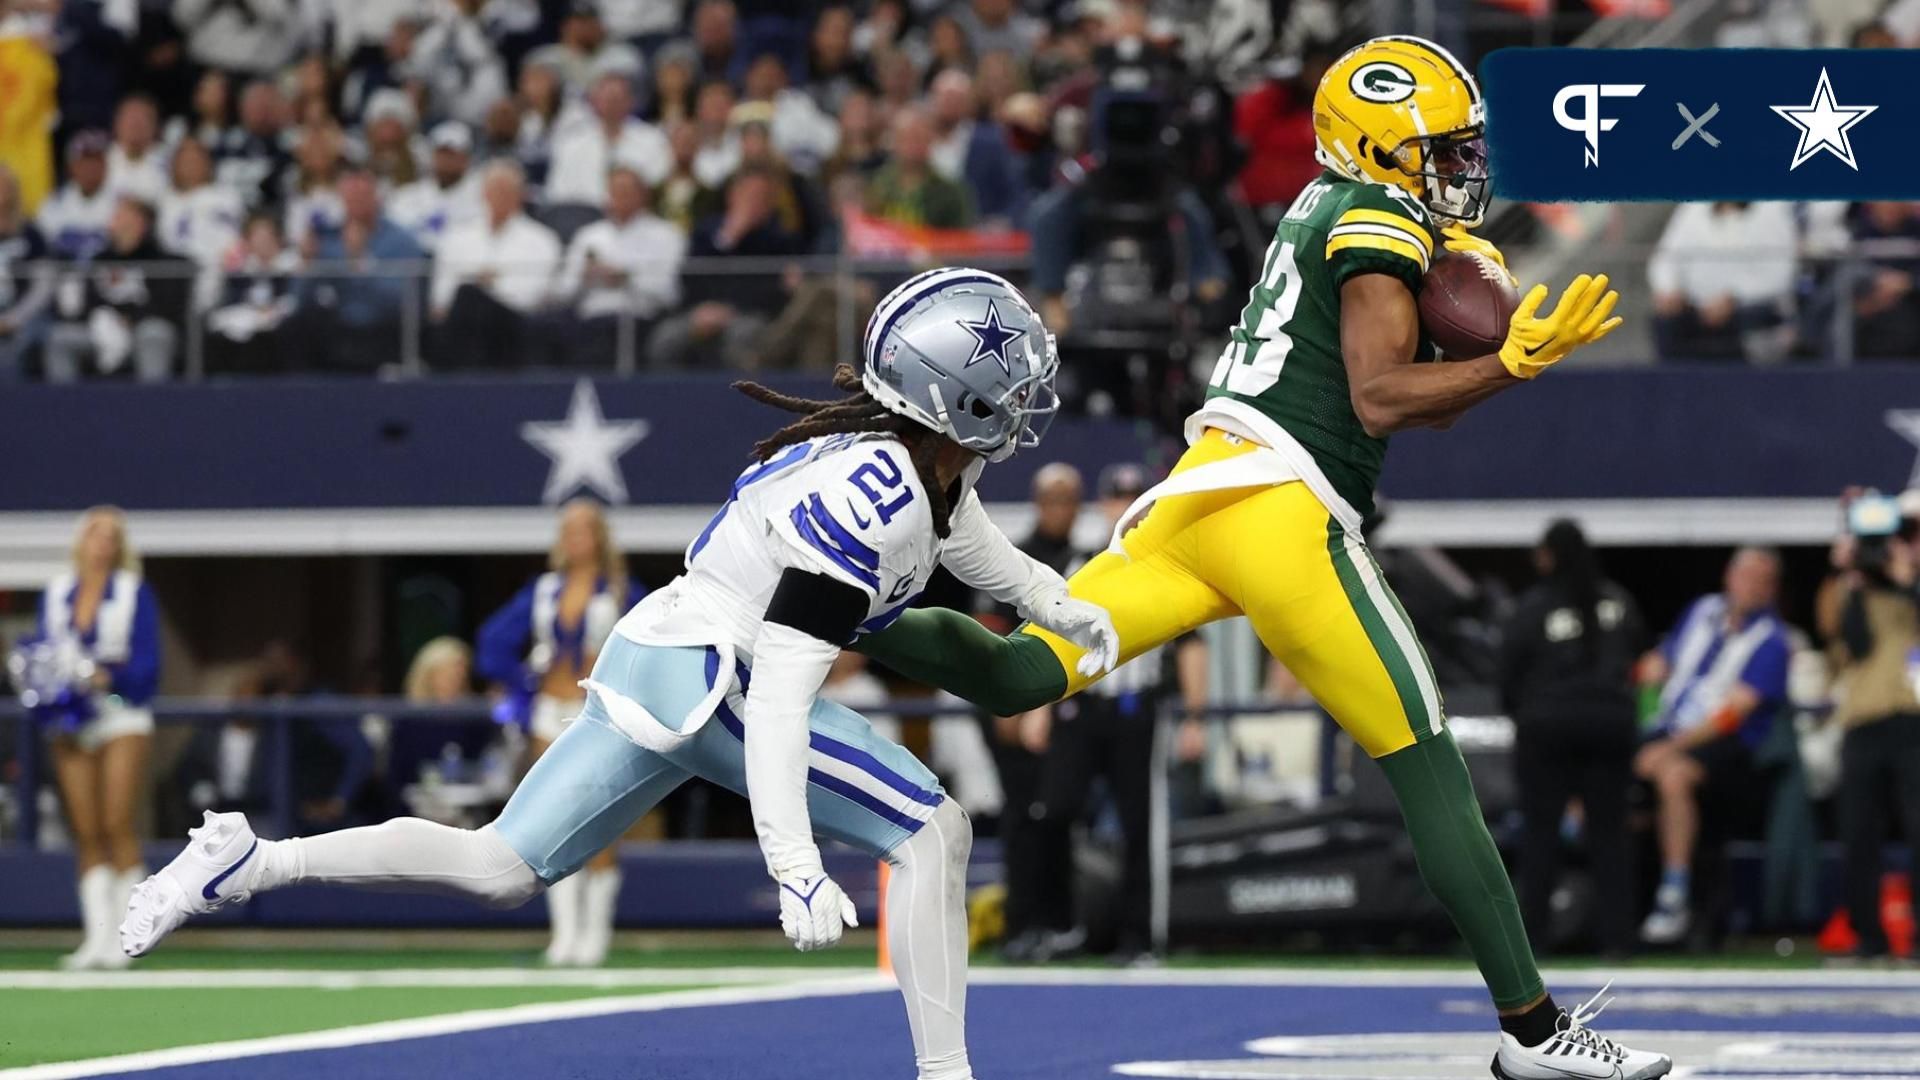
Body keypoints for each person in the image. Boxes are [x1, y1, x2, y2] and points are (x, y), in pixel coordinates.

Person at [858, 37, 1670, 1080]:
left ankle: (829, 609)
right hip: (1286, 512)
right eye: (1439, 148)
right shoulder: (1376, 217)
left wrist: (1470, 325)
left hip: (1200, 496)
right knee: (1429, 764)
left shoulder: (1325, 206)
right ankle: (1537, 1036)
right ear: (1376, 147)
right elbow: (1380, 398)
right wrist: (1509, 360)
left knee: (1023, 672)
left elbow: (1394, 383)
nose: (1460, 166)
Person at [124, 267, 1119, 1080]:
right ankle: (945, 1075)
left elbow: (963, 530)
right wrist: (795, 865)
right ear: (951, 396)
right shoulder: (874, 503)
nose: (1030, 392)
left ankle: (253, 860)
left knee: (501, 866)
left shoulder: (901, 457)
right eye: (1012, 375)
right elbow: (779, 700)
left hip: (664, 655)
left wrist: (1054, 601)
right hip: (726, 676)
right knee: (932, 828)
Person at [475, 500, 647, 967]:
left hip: (601, 712)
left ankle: (597, 935)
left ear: (599, 536)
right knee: (553, 821)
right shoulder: (543, 590)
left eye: (583, 530)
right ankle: (564, 936)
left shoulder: (621, 590)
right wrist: (521, 679)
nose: (575, 539)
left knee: (602, 820)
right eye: (567, 530)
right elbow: (492, 642)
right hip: (549, 710)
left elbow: (655, 644)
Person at [1496, 520, 1645, 958]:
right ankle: (1619, 939)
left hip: (1549, 727)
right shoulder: (1618, 600)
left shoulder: (1534, 606)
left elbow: (1507, 671)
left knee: (1540, 835)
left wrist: (1524, 714)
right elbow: (1637, 657)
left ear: (1550, 555)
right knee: (1611, 837)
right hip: (1609, 725)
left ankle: (1532, 941)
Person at [1636, 546, 1791, 947]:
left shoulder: (1773, 641)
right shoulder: (1701, 612)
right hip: (1669, 729)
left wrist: (1672, 746)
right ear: (1728, 577)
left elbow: (1733, 714)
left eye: (1761, 581)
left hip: (1727, 747)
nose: (1751, 587)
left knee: (1673, 775)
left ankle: (1675, 890)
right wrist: (1647, 710)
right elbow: (1659, 665)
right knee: (1598, 756)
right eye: (1745, 576)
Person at [37, 508, 160, 970]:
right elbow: (44, 650)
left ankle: (131, 936)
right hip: (72, 718)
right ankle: (96, 937)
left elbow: (150, 662)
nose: (102, 544)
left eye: (112, 537)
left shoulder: (134, 592)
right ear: (81, 541)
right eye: (95, 534)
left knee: (116, 823)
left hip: (121, 711)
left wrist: (108, 677)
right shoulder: (56, 593)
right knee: (86, 830)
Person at [1814, 493, 1920, 960]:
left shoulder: (1911, 584)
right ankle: (1868, 936)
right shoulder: (1846, 588)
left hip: (1913, 718)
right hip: (1863, 719)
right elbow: (1851, 640)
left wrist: (1906, 578)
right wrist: (1852, 577)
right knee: (1859, 833)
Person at [45, 195, 193, 383]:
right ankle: (62, 407)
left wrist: (129, 319)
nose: (112, 221)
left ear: (140, 222)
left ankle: (154, 405)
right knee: (61, 338)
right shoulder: (100, 260)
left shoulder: (163, 261)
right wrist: (103, 318)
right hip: (102, 331)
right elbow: (87, 301)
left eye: (120, 215)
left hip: (143, 329)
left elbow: (168, 307)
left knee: (153, 332)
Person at [430, 159, 560, 369]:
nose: (500, 196)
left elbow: (533, 294)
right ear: (483, 193)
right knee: (466, 298)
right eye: (494, 189)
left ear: (521, 195)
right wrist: (483, 283)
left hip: (514, 326)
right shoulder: (457, 237)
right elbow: (441, 295)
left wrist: (486, 288)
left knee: (469, 294)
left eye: (506, 190)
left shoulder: (542, 239)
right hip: (464, 326)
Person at [553, 165, 684, 367]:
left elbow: (668, 292)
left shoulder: (665, 235)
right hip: (590, 320)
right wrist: (583, 276)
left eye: (627, 191)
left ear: (643, 195)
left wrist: (625, 278)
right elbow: (563, 291)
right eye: (615, 191)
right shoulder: (588, 235)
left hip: (639, 319)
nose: (620, 197)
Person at [545, 70, 672, 205]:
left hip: (637, 218)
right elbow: (557, 193)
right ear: (593, 102)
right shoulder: (571, 143)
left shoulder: (653, 139)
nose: (612, 105)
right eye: (607, 99)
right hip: (582, 218)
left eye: (617, 99)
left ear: (631, 101)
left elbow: (658, 186)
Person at [387, 122, 484, 253]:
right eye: (441, 153)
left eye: (452, 154)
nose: (446, 161)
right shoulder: (409, 195)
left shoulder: (480, 196)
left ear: (465, 158)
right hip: (415, 262)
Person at [0, 164, 55, 381]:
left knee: (28, 339)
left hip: (24, 318)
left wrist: (14, 319)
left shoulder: (31, 234)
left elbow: (44, 285)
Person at [36, 132, 116, 260]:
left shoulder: (121, 203)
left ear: (106, 165)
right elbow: (43, 247)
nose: (90, 168)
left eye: (96, 161)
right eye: (84, 162)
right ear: (71, 166)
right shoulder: (54, 203)